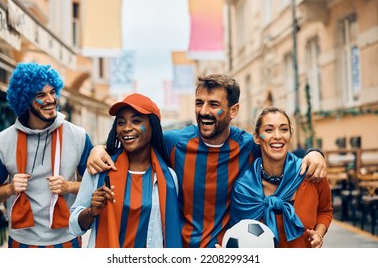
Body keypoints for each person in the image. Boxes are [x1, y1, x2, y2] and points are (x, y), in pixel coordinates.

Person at [86, 74, 327, 248]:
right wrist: (99, 149)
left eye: (214, 105)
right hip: (181, 249)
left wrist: (315, 152)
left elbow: (278, 148)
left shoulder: (246, 145)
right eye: (199, 103)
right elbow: (134, 144)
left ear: (233, 111)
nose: (203, 111)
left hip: (228, 250)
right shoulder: (174, 142)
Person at [0, 62, 93, 248]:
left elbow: (97, 186)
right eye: (41, 95)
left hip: (67, 240)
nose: (50, 99)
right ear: (25, 99)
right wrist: (10, 189)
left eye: (53, 92)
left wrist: (69, 186)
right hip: (21, 242)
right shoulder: (3, 141)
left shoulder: (78, 136)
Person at [69, 93, 182, 248]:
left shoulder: (169, 178)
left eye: (136, 121)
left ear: (152, 126)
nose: (127, 128)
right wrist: (91, 211)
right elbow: (74, 226)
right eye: (121, 122)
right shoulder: (99, 169)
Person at [230, 107, 332, 248]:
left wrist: (319, 234)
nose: (277, 136)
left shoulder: (311, 173)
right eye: (269, 130)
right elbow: (237, 236)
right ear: (257, 137)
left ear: (290, 135)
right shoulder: (243, 188)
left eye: (284, 129)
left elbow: (325, 210)